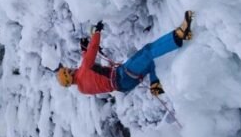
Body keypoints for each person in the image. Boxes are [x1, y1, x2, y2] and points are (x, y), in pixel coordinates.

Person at [56, 11, 194, 96]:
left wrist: (84, 50)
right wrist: (97, 32)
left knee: (148, 61)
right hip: (121, 76)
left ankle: (155, 84)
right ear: (70, 74)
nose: (71, 68)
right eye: (68, 70)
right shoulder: (83, 71)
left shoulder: (82, 88)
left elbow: (87, 64)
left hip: (124, 85)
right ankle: (179, 35)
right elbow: (91, 55)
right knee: (147, 52)